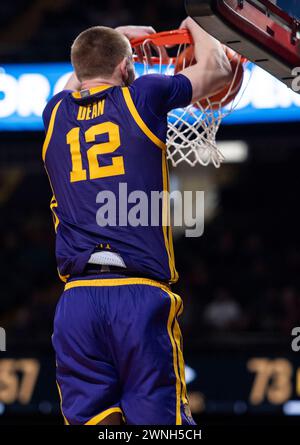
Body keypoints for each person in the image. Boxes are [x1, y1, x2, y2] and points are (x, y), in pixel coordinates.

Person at [42, 19, 232, 425]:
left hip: (76, 301)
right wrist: (199, 22)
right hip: (136, 296)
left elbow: (75, 78)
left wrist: (109, 37)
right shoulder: (141, 95)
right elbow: (218, 68)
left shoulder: (54, 113)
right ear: (127, 68)